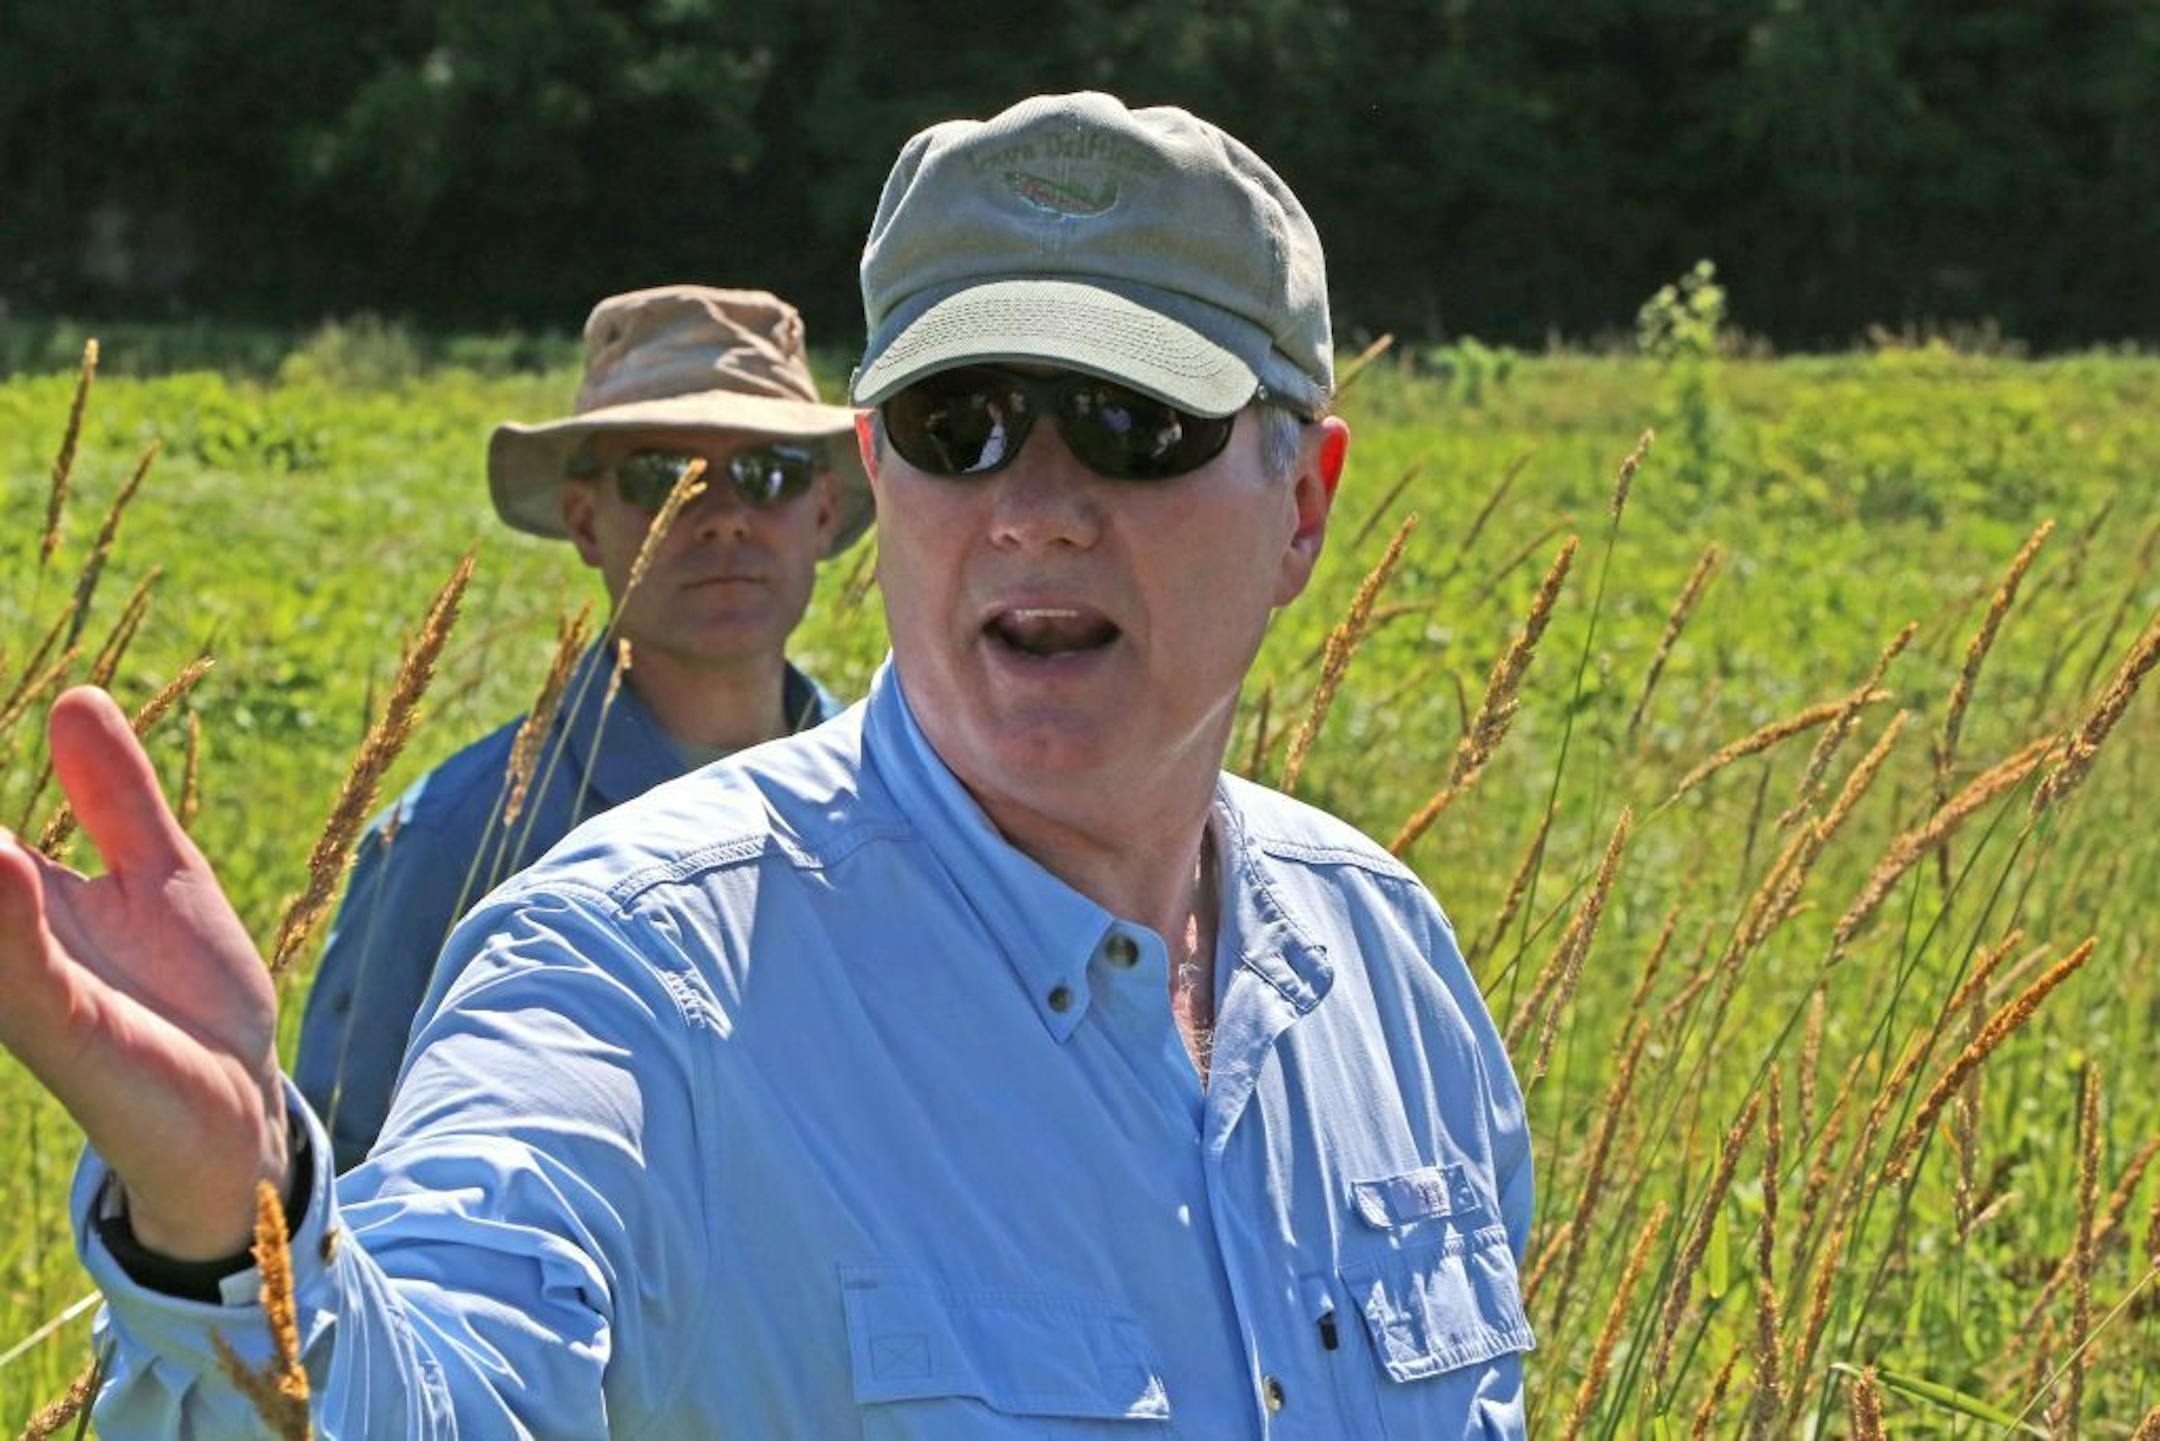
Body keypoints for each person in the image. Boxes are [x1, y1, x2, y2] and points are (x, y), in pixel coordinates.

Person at [0, 92, 1534, 1438]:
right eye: (964, 421)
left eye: (1134, 423)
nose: (1037, 504)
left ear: (1306, 506)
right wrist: (229, 1228)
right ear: (884, 473)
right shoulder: (636, 965)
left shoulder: (1387, 971)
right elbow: (445, 1383)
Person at [292, 284, 869, 1173]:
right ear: (583, 521)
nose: (721, 514)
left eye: (771, 472)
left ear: (823, 512)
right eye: (662, 477)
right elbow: (350, 1175)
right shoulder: (455, 841)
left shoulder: (905, 807)